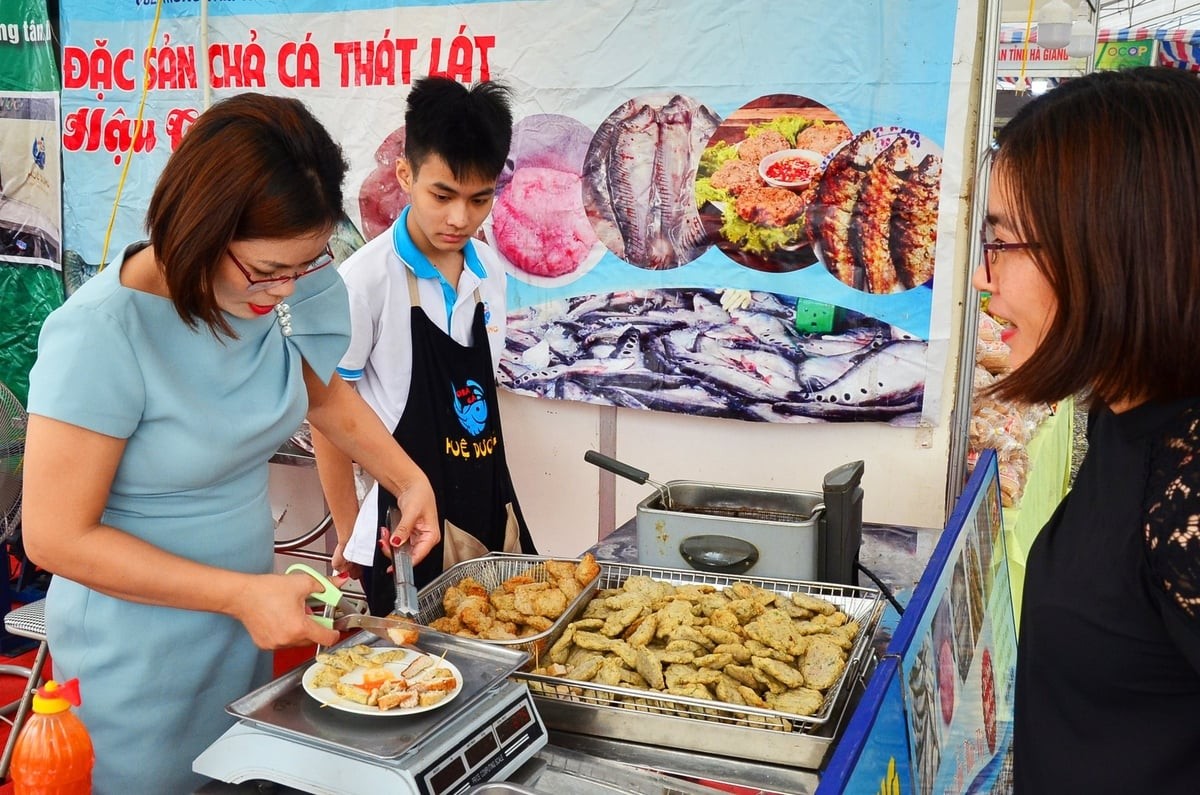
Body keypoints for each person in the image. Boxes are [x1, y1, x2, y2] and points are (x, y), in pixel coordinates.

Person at [21, 92, 441, 793]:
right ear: (199, 228)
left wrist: (406, 478)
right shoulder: (100, 336)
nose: (283, 291)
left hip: (245, 618)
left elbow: (322, 392)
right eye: (266, 271)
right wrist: (238, 594)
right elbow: (56, 536)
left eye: (302, 266)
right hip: (136, 648)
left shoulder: (282, 280)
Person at [974, 67, 1200, 794]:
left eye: (1003, 243)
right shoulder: (1119, 409)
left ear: (1111, 249)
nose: (984, 278)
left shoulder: (1187, 486)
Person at [311, 76, 536, 616]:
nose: (460, 218)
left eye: (479, 199)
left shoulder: (491, 275)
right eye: (443, 195)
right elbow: (328, 415)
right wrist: (349, 530)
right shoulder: (365, 280)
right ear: (406, 174)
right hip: (403, 537)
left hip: (487, 512)